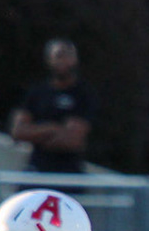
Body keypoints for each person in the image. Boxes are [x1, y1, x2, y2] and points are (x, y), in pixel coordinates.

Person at [9, 39, 95, 175]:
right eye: (58, 56)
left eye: (68, 56)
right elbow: (18, 132)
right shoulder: (36, 92)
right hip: (37, 168)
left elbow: (72, 140)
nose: (63, 61)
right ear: (49, 60)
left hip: (68, 173)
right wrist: (53, 128)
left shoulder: (83, 94)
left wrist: (36, 133)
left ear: (75, 60)